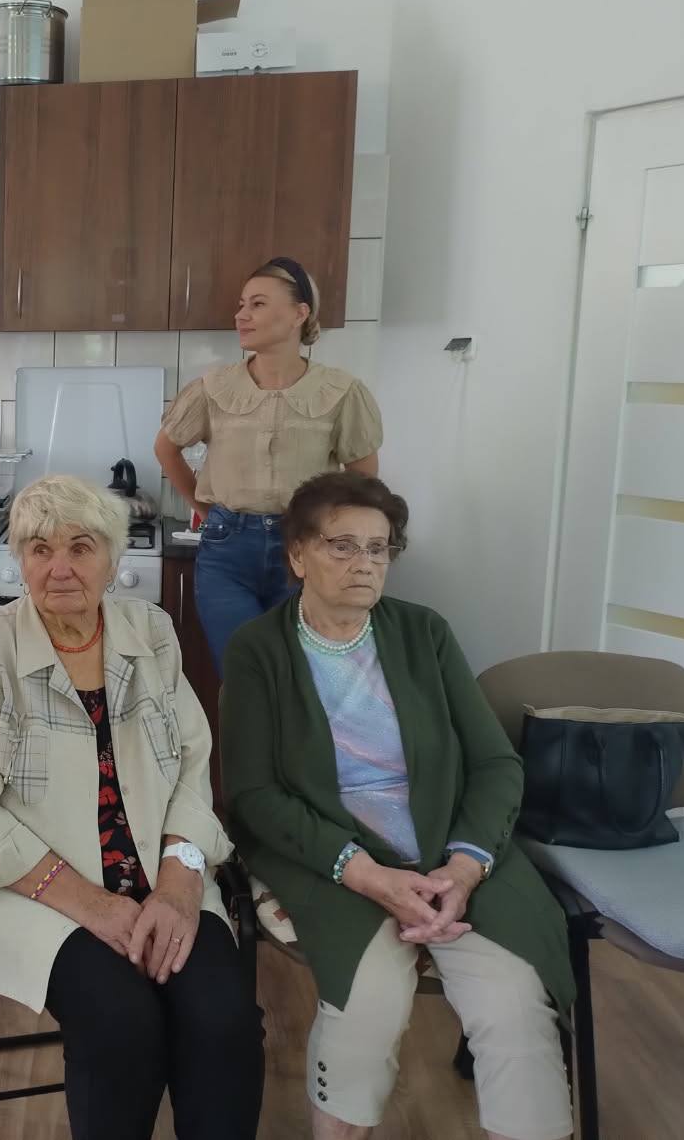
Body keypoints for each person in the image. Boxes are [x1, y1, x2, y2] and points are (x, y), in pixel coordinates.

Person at [221, 471, 574, 1140]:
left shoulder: (424, 633)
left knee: (514, 1003)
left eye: (378, 549)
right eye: (342, 545)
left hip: (446, 844)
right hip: (327, 848)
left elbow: (496, 763)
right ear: (298, 555)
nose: (364, 563)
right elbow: (253, 793)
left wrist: (463, 868)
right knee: (369, 1000)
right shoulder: (258, 650)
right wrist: (367, 874)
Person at [0, 475, 263, 1140]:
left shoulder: (153, 633)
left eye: (81, 547)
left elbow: (193, 765)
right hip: (34, 888)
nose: (59, 568)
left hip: (161, 873)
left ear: (114, 560)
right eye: (39, 548)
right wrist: (93, 905)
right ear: (19, 561)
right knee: (121, 1022)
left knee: (223, 1018)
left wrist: (179, 882)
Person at [154, 257, 383, 674]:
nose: (241, 315)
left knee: (300, 674)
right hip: (227, 550)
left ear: (299, 313)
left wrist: (338, 539)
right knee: (241, 673)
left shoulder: (340, 391)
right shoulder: (214, 387)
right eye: (242, 304)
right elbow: (166, 449)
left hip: (306, 548)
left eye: (257, 304)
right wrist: (205, 509)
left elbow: (363, 479)